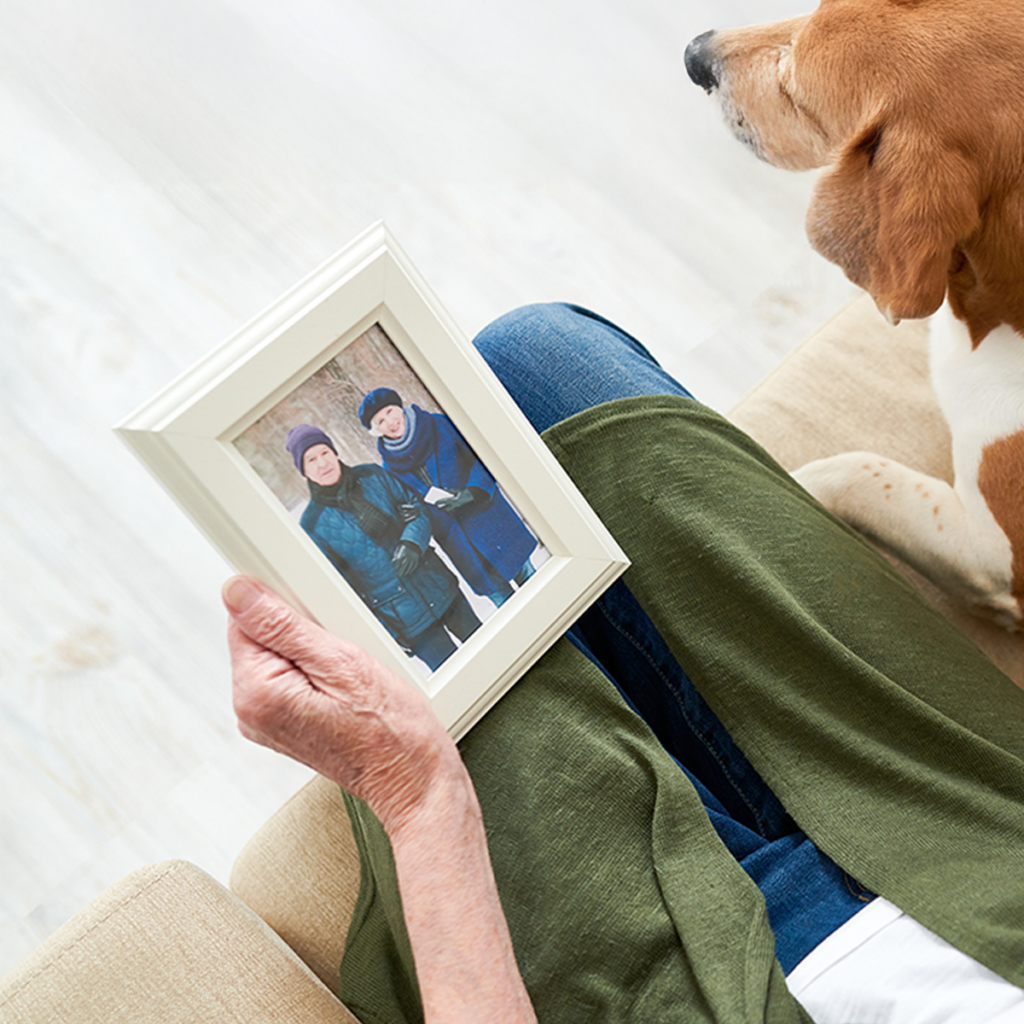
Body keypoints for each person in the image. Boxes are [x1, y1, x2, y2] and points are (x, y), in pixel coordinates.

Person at [228, 306, 1024, 1024]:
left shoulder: (367, 486)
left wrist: (421, 802)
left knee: (396, 612)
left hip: (693, 997)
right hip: (984, 838)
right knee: (533, 356)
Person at [285, 423, 481, 672]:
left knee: (487, 650)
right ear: (303, 470)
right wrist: (388, 634)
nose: (322, 463)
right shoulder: (313, 525)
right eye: (311, 460)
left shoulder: (372, 475)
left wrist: (412, 543)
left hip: (441, 589)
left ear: (334, 452)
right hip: (407, 621)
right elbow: (345, 590)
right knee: (456, 676)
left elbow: (417, 508)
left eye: (324, 452)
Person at [358, 387, 538, 607]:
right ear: (376, 430)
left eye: (389, 411)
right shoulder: (389, 468)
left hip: (491, 522)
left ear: (399, 407)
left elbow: (479, 457)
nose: (390, 422)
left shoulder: (439, 424)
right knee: (508, 606)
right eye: (380, 421)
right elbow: (408, 505)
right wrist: (414, 513)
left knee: (536, 586)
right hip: (459, 544)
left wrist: (471, 493)